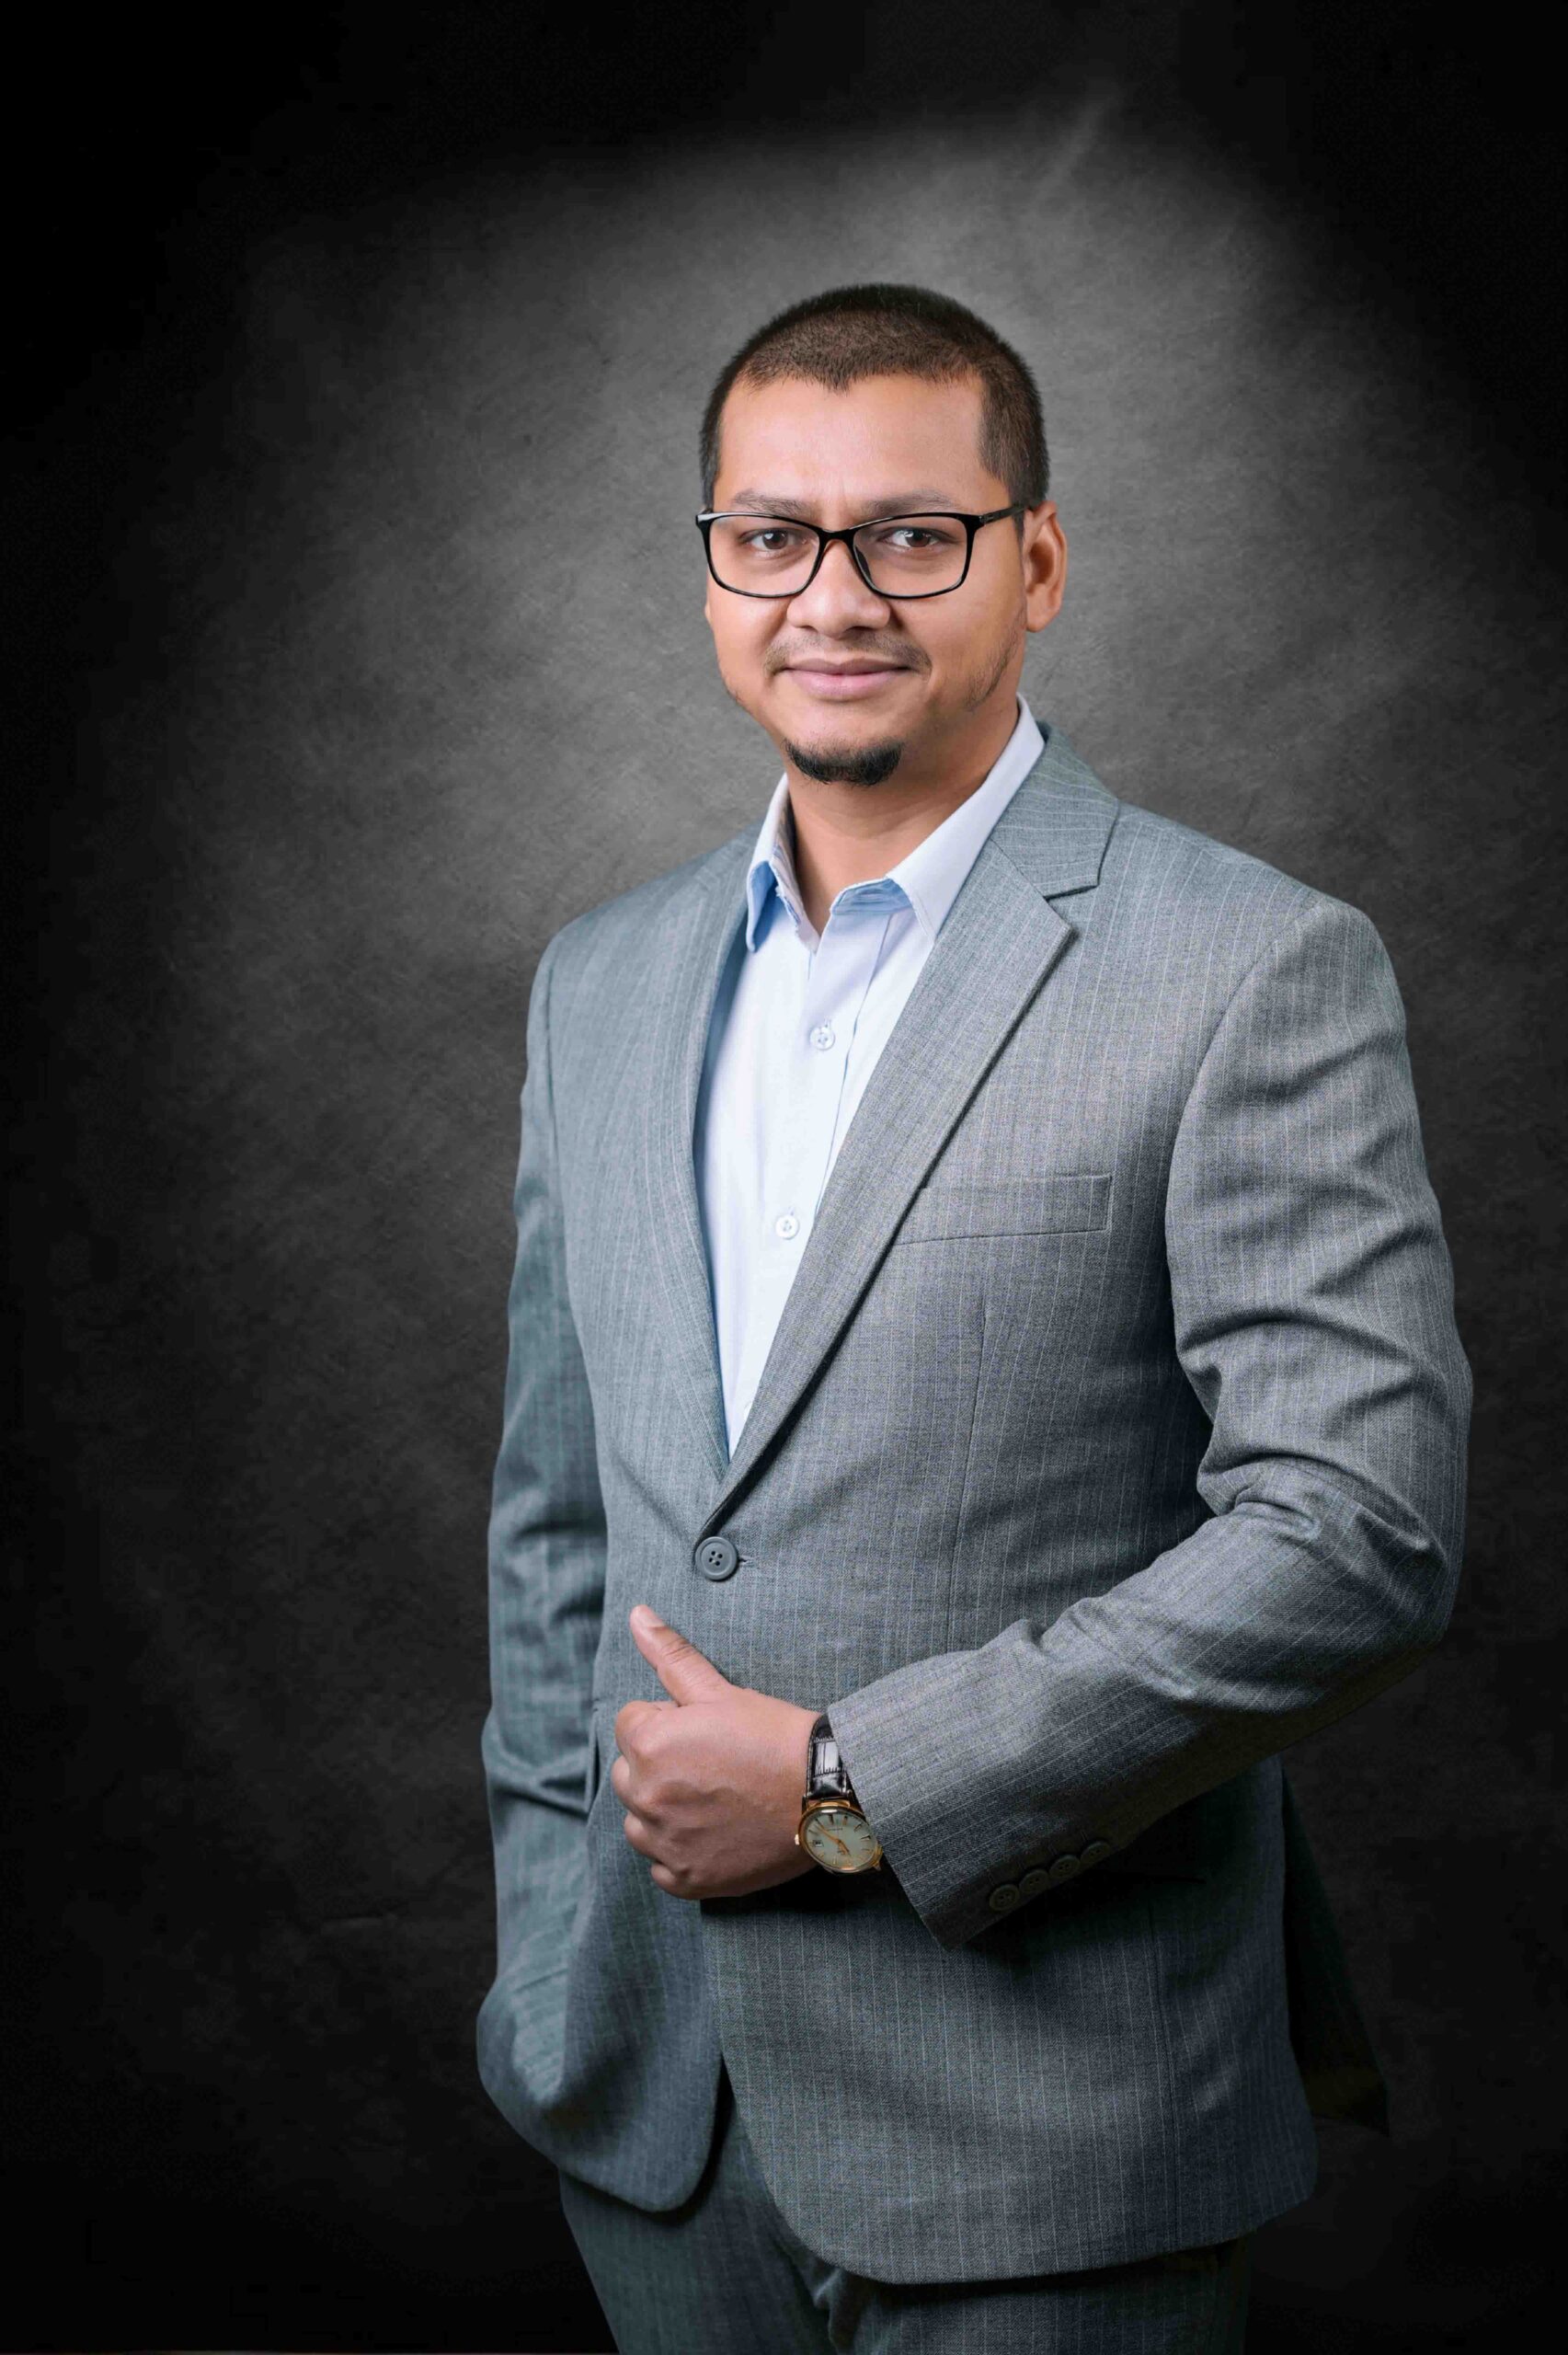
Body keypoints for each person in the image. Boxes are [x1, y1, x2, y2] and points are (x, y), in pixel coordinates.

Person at [475, 283, 1471, 2353]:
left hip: (1054, 2139)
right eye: (772, 535)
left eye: (910, 535)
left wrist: (844, 1781)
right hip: (651, 2124)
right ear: (713, 567)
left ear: (1037, 559)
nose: (833, 596)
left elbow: (1354, 1535)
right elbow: (559, 1528)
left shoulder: (1251, 965)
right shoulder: (601, 980)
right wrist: (547, 1957)